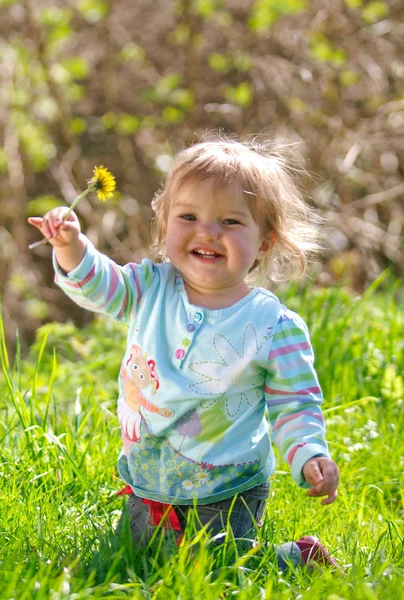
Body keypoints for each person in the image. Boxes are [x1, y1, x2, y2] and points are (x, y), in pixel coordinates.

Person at [28, 134, 340, 570]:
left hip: (228, 482)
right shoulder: (149, 288)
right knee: (139, 557)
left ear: (265, 241)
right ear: (165, 226)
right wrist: (71, 248)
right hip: (150, 473)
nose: (207, 232)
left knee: (211, 567)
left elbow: (294, 402)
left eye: (230, 222)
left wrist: (309, 453)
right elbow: (101, 286)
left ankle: (296, 558)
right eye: (188, 216)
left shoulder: (273, 325)